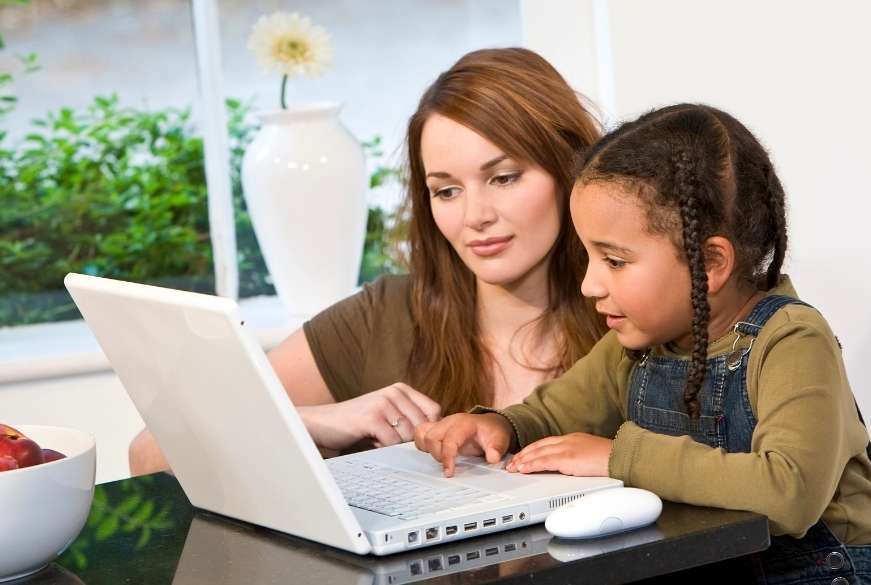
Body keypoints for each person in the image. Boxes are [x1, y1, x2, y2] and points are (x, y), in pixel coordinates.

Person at [415, 104, 871, 583]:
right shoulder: (635, 345)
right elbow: (554, 414)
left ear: (709, 263)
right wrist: (498, 427)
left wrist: (617, 456)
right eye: (589, 257)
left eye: (614, 261)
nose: (589, 285)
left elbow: (790, 493)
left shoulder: (792, 341)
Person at [128, 47, 608, 475]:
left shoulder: (632, 321)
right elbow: (149, 452)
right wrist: (310, 422)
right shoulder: (383, 317)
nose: (475, 217)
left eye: (503, 178)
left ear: (570, 168)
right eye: (447, 190)